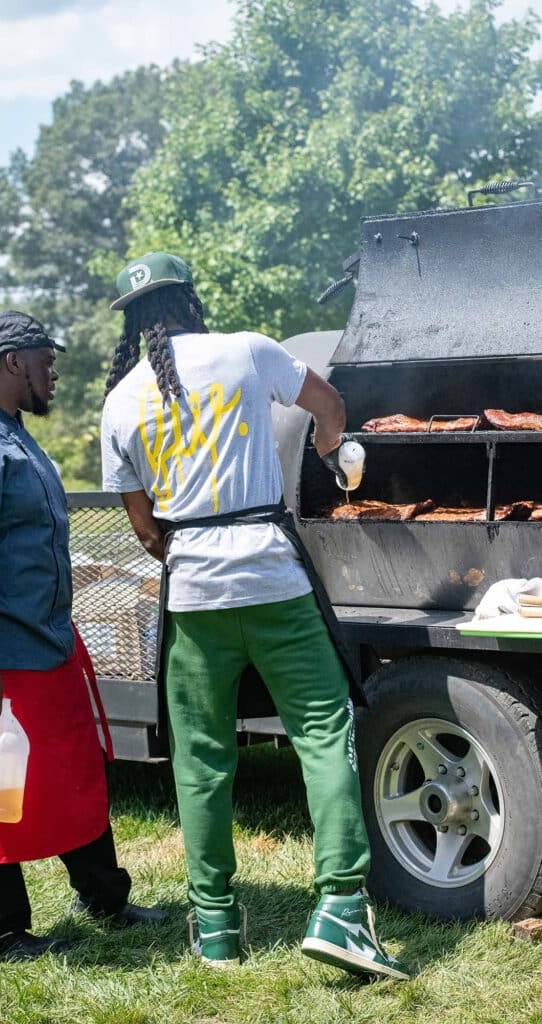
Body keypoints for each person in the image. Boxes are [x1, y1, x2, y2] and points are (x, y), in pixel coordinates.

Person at [100, 253, 409, 980]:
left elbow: (146, 530)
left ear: (134, 321)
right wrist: (337, 455)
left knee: (201, 763)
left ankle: (215, 929)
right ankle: (339, 908)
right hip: (272, 578)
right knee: (325, 735)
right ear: (190, 299)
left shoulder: (120, 401)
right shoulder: (247, 350)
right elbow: (328, 408)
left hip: (194, 598)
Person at [0, 310, 165, 963]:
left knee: (72, 775)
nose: (54, 372)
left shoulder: (10, 431)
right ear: (13, 362)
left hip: (45, 646)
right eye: (46, 361)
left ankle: (104, 897)